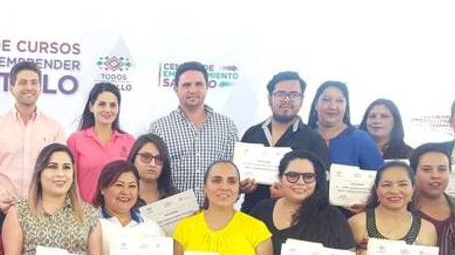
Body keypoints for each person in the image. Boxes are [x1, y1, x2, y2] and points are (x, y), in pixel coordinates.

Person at [0, 60, 66, 232]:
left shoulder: (54, 128)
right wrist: (9, 205)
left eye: (34, 82)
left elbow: (60, 172)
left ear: (40, 87)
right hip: (1, 212)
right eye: (23, 82)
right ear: (12, 88)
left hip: (43, 213)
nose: (29, 87)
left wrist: (41, 203)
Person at [238, 71, 330, 213]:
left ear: (302, 100)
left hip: (295, 218)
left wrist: (290, 194)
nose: (287, 100)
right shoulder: (252, 133)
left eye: (294, 95)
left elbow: (322, 186)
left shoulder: (314, 140)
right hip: (252, 214)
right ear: (270, 99)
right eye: (280, 94)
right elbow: (237, 176)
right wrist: (242, 186)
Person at [148, 61, 238, 205]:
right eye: (186, 85)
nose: (193, 90)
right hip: (173, 211)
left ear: (207, 87)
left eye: (198, 84)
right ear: (176, 89)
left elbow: (233, 172)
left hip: (214, 210)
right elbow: (151, 176)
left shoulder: (227, 126)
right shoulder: (159, 127)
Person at [67, 82, 136, 203]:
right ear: (91, 107)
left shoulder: (129, 141)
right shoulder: (75, 140)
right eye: (102, 104)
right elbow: (70, 182)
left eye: (113, 105)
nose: (107, 110)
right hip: (84, 211)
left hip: (118, 211)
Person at [306, 81, 383, 170]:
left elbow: (380, 175)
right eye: (326, 99)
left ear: (346, 106)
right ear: (316, 104)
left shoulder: (362, 140)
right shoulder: (303, 137)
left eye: (339, 101)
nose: (333, 106)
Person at [409, 143, 455, 244]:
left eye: (442, 169)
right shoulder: (403, 206)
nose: (435, 175)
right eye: (426, 169)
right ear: (413, 173)